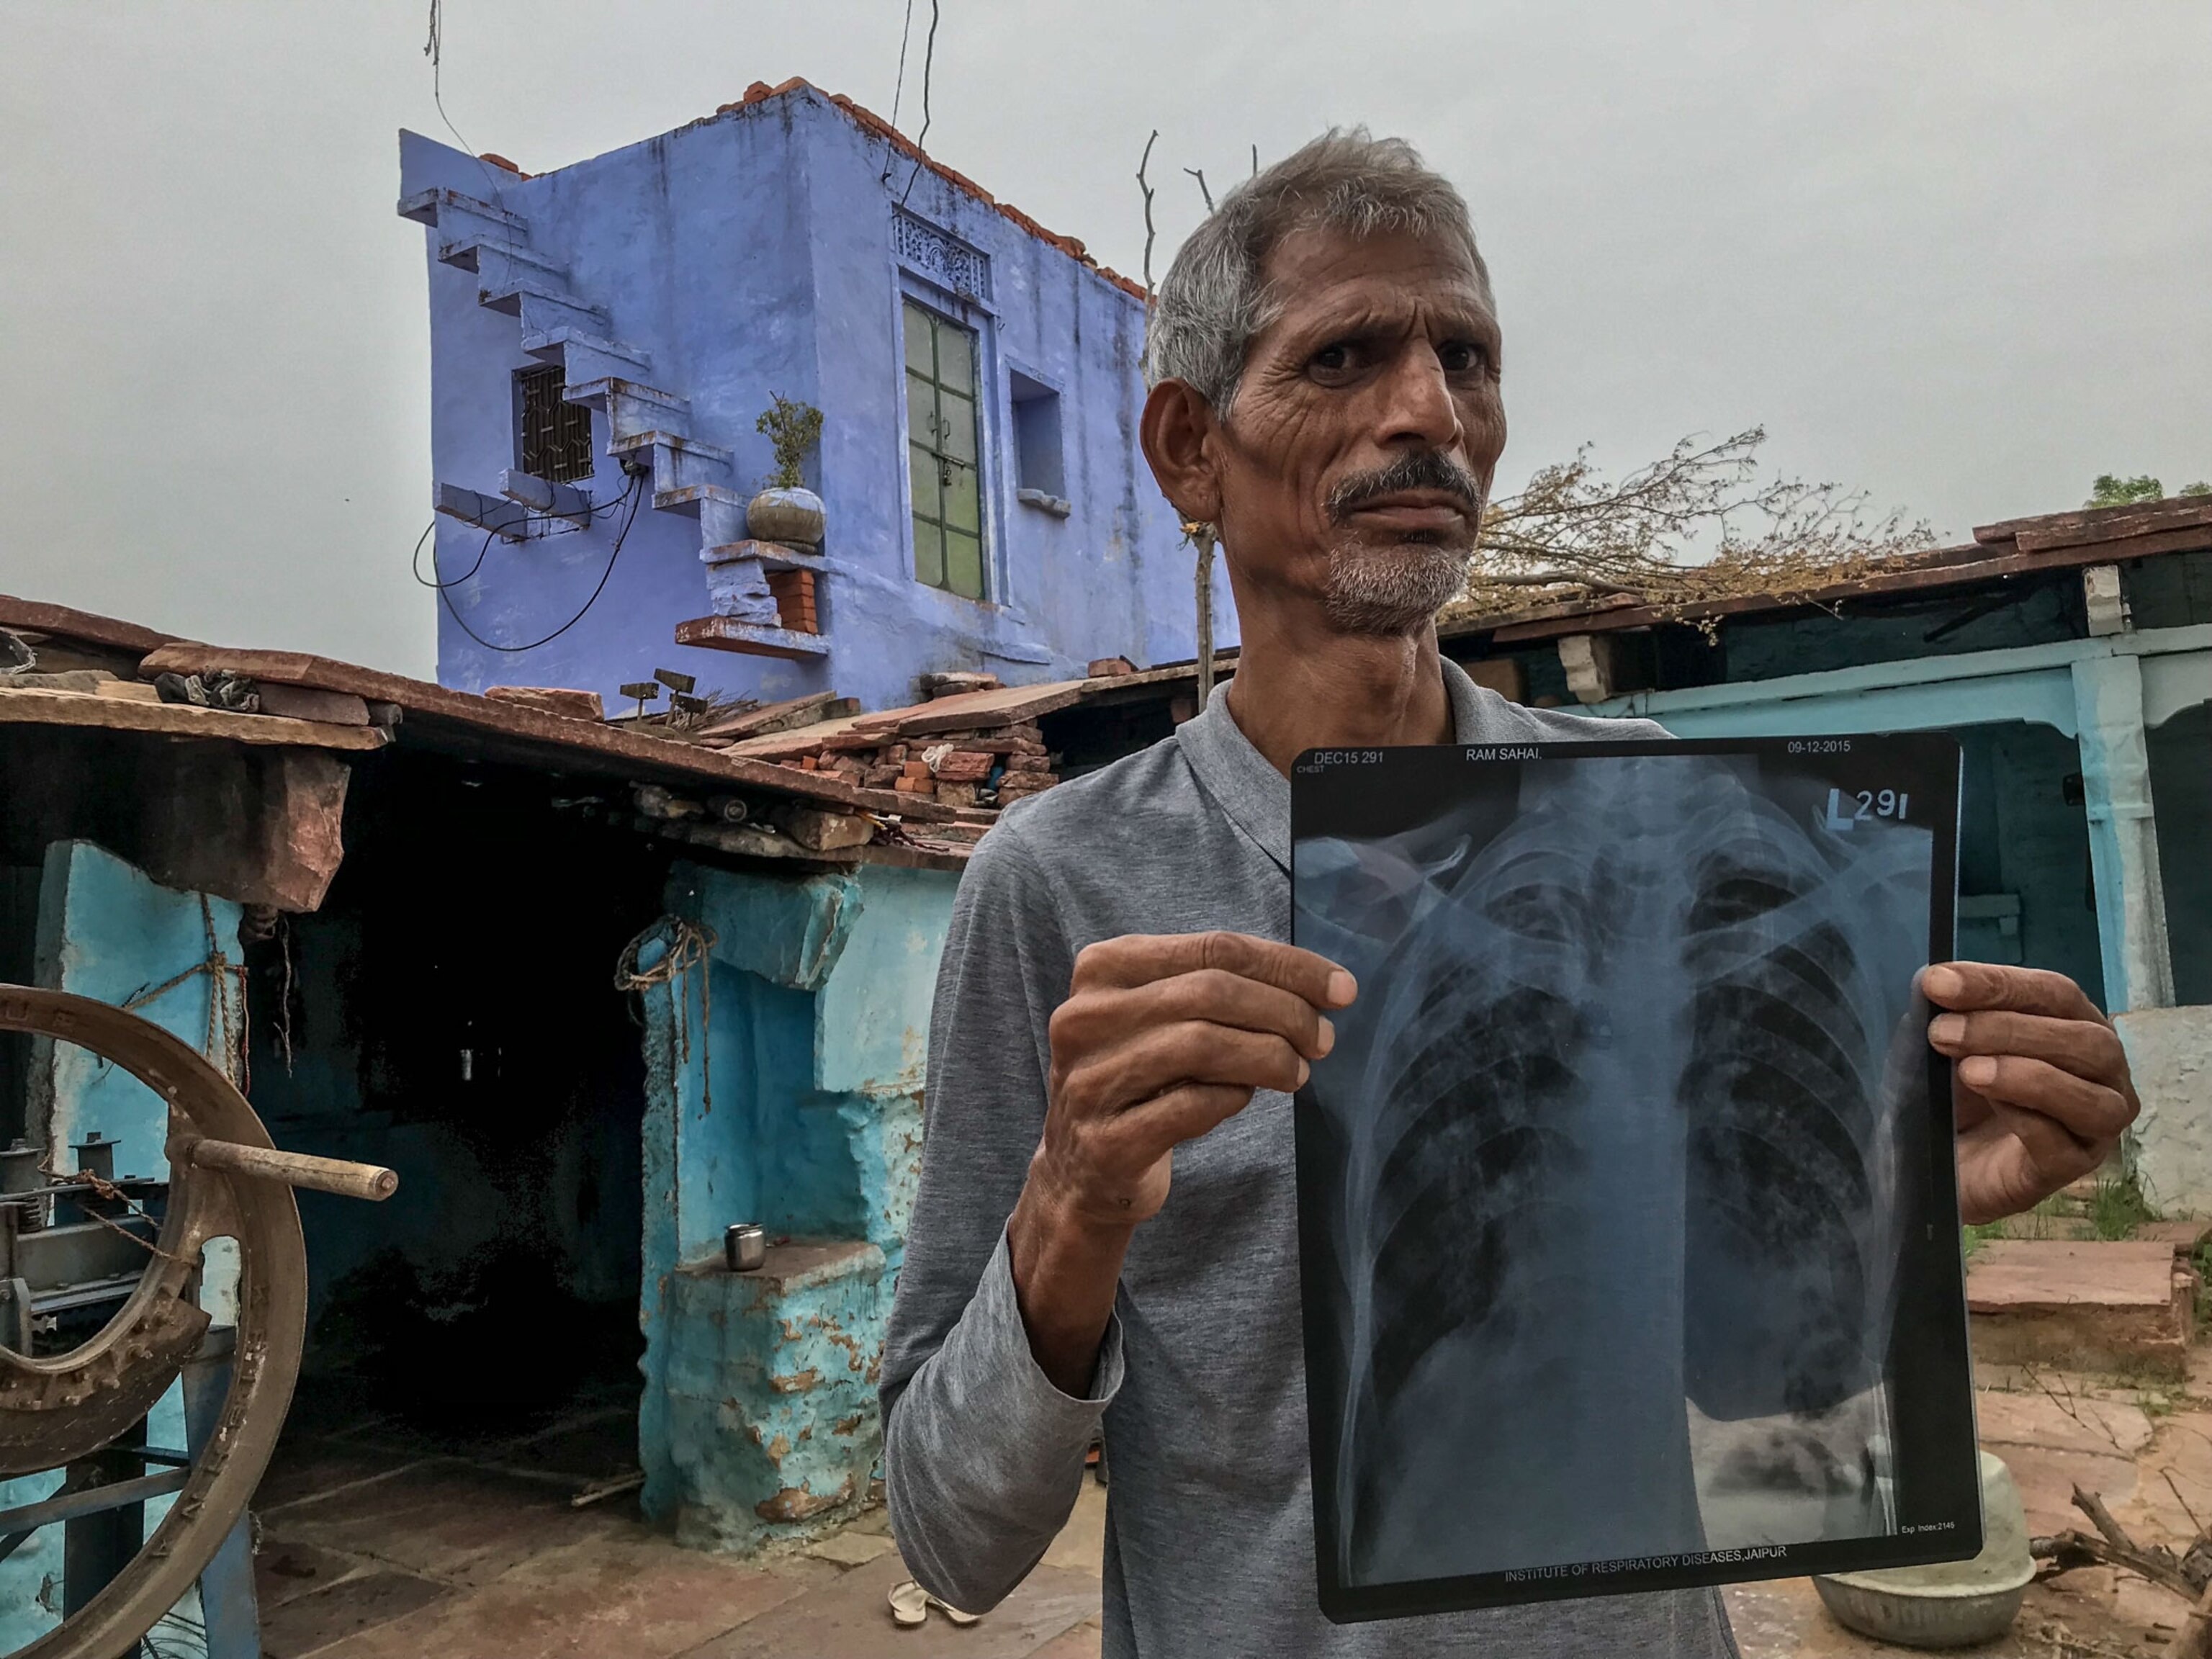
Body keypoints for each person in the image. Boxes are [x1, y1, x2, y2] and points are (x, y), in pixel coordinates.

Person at [881, 130, 2140, 1658]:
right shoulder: (1063, 883)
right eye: (1344, 355)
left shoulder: (1660, 818)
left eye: (1464, 358)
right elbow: (951, 1540)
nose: (1427, 411)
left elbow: (1751, 1410)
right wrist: (1069, 1206)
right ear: (1188, 450)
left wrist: (1906, 1208)